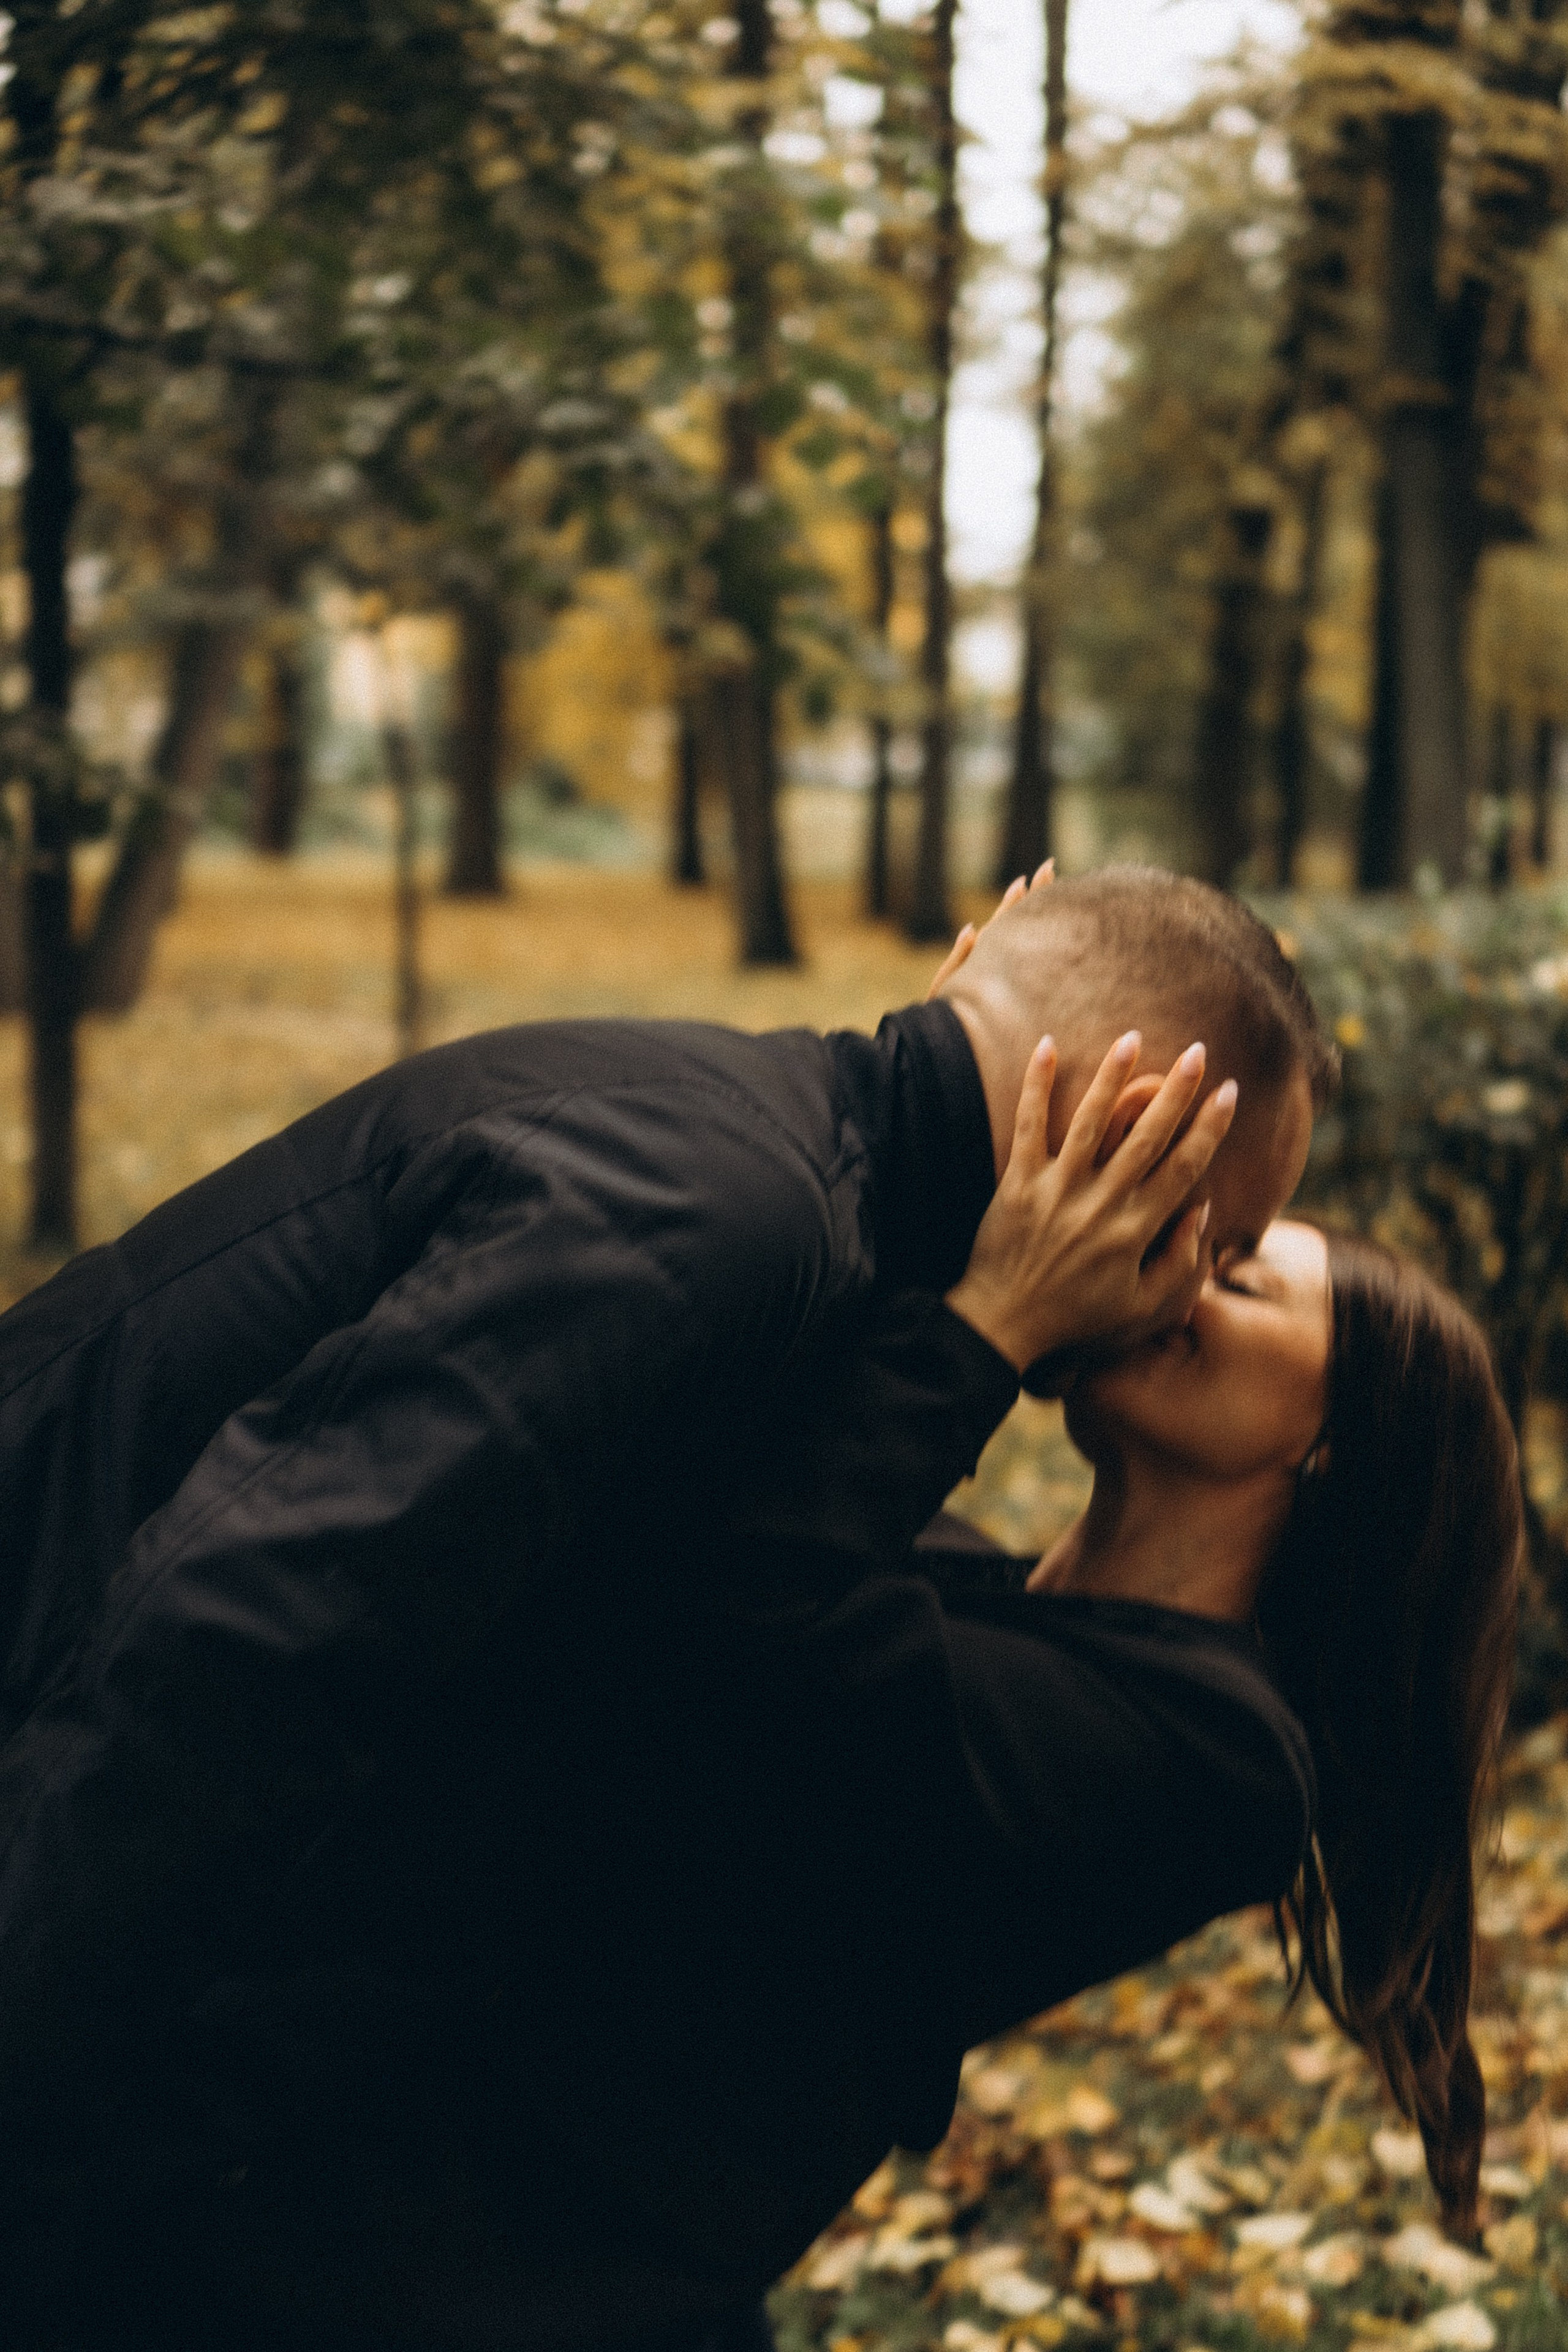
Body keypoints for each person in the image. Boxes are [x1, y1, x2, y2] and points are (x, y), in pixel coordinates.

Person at [0, 865, 1336, 2343]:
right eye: (1209, 1235)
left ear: (969, 955)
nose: (1183, 1296)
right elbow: (232, 1653)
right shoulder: (721, 1223)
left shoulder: (772, 1178)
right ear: (1116, 1126)